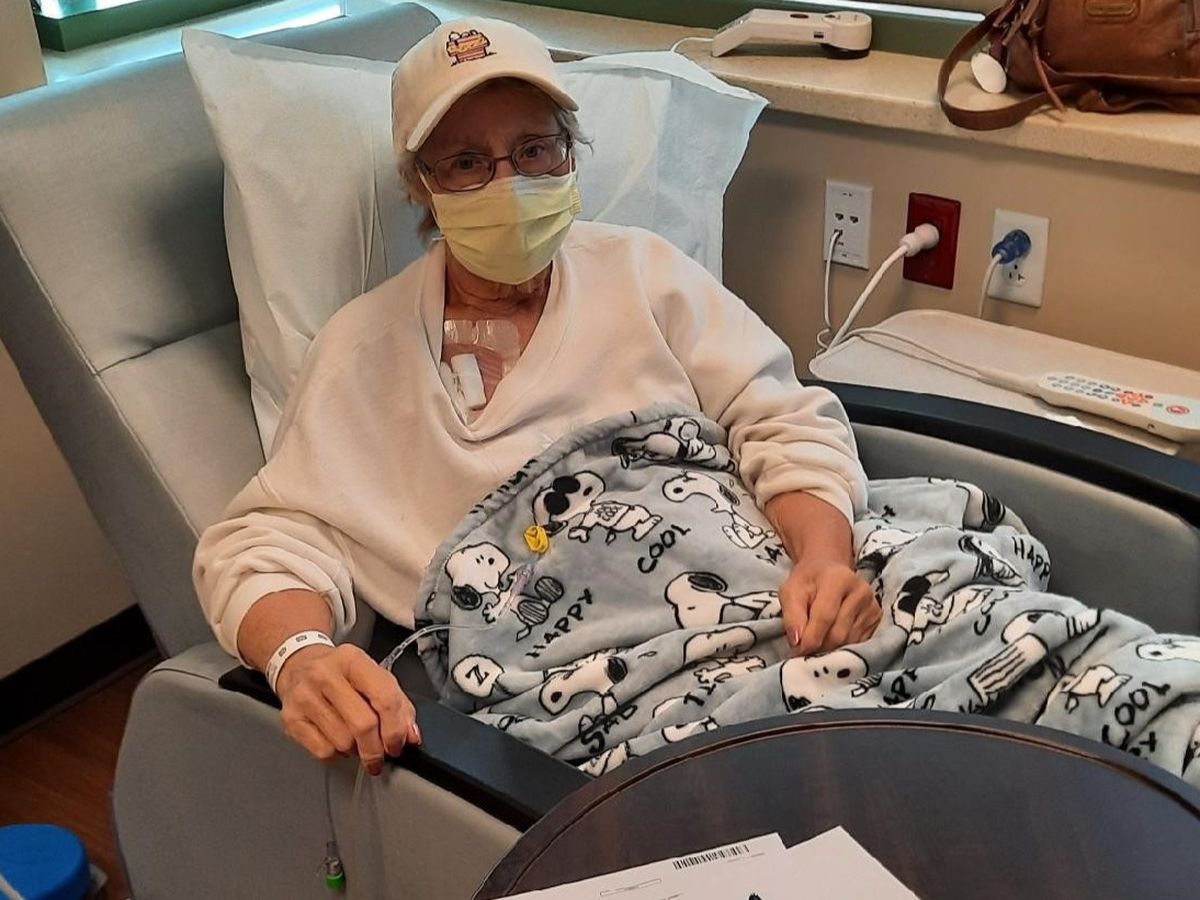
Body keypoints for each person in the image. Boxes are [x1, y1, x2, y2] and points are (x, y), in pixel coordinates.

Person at [192, 17, 876, 777]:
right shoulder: (362, 354)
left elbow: (780, 418)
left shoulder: (645, 273)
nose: (509, 185)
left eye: (533, 150)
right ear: (421, 185)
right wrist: (300, 657)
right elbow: (269, 542)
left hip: (786, 598)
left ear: (569, 153)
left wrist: (825, 559)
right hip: (609, 692)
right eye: (466, 162)